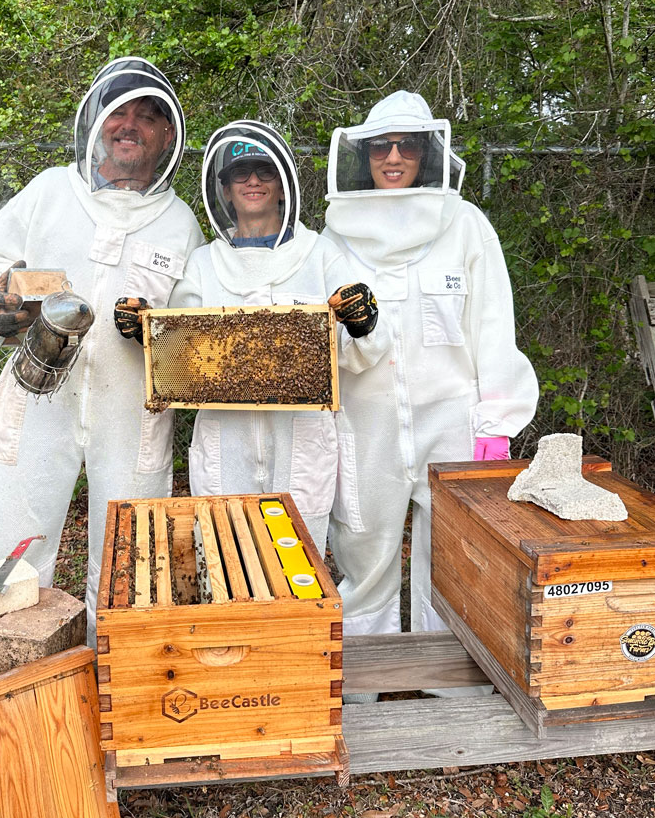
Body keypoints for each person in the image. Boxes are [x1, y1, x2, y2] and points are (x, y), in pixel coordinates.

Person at [0, 57, 204, 633]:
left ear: (167, 136)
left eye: (147, 117)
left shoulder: (180, 223)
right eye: (119, 112)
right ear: (96, 121)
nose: (129, 125)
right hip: (37, 400)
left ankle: (115, 673)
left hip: (133, 414)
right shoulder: (50, 192)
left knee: (134, 560)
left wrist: (158, 334)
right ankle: (16, 667)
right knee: (12, 556)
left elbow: (194, 330)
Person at [322, 91, 539, 670]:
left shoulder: (465, 225)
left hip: (451, 421)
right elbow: (328, 337)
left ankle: (444, 680)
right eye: (381, 147)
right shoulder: (336, 235)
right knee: (364, 554)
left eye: (407, 146)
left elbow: (492, 324)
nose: (394, 157)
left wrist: (496, 422)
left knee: (453, 557)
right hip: (364, 423)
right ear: (364, 154)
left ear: (427, 154)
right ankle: (364, 682)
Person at [118, 120, 389, 553]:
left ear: (282, 186)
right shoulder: (203, 264)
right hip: (225, 440)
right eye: (240, 173)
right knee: (227, 558)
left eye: (265, 171)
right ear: (225, 190)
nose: (253, 181)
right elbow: (179, 354)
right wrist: (144, 332)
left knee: (298, 566)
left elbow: (360, 352)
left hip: (302, 441)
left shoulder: (320, 255)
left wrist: (363, 324)